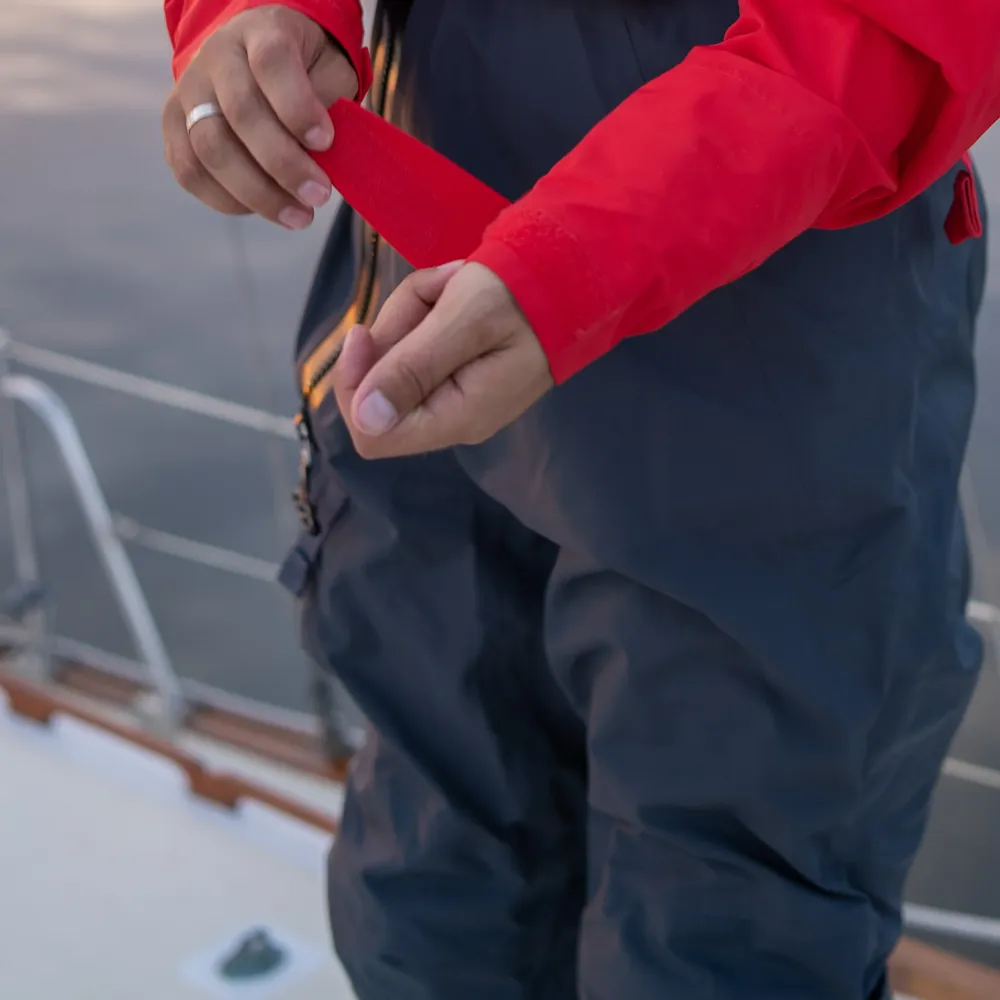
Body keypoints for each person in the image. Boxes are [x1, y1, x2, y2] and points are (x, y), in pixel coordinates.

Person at [161, 1, 1000, 997]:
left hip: (774, 256)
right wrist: (251, 22)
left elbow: (898, 33)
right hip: (423, 195)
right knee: (432, 858)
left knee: (729, 923)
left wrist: (571, 260)